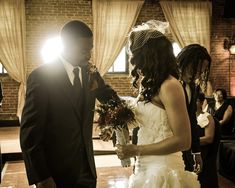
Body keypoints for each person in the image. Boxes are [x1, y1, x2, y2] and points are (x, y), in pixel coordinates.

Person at [20, 20, 120, 188]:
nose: (88, 55)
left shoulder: (91, 73)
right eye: (83, 50)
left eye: (90, 49)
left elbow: (112, 100)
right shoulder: (42, 77)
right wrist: (42, 178)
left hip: (87, 171)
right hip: (56, 174)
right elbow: (30, 134)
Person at [115, 20, 200, 187]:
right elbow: (150, 121)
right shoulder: (148, 83)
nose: (132, 59)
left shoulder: (170, 85)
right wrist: (118, 118)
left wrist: (137, 149)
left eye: (134, 54)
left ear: (148, 55)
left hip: (164, 168)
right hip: (144, 165)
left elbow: (184, 140)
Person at [176, 44, 211, 174]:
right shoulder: (168, 82)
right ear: (187, 61)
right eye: (197, 68)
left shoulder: (193, 87)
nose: (199, 73)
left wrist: (196, 152)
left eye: (203, 70)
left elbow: (191, 121)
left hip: (185, 149)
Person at [196, 92, 220, 188]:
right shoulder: (187, 117)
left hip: (204, 153)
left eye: (196, 101)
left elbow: (209, 139)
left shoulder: (207, 117)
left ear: (202, 103)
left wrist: (190, 141)